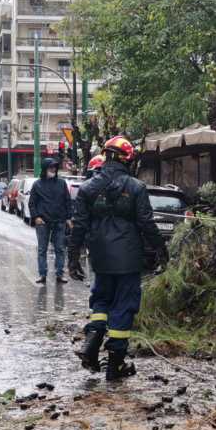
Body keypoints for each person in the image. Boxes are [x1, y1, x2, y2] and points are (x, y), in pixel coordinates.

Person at [68, 136, 165, 381]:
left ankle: (91, 345)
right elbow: (146, 223)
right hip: (128, 257)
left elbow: (78, 225)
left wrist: (73, 258)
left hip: (99, 256)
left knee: (100, 301)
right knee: (124, 306)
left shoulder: (88, 188)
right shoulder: (136, 187)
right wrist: (161, 250)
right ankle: (115, 365)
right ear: (127, 159)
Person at [29, 157, 72, 285]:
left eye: (55, 167)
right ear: (45, 169)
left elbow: (67, 201)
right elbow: (32, 203)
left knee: (60, 249)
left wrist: (68, 218)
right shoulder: (37, 184)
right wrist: (36, 217)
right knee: (42, 249)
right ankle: (42, 275)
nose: (53, 169)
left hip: (59, 221)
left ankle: (60, 275)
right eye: (50, 167)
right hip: (43, 222)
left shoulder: (61, 183)